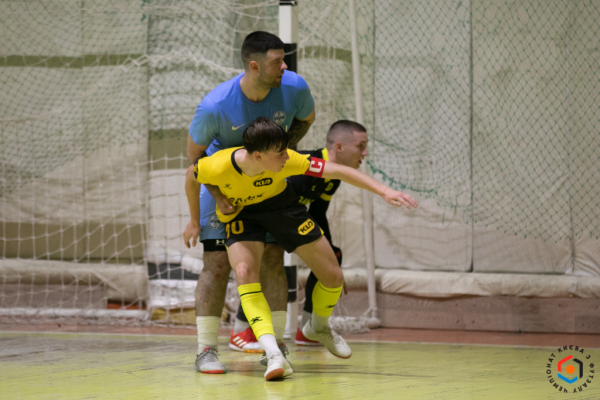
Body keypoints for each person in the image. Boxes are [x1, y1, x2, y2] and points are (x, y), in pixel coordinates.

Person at [183, 117, 418, 381]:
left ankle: (318, 327)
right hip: (244, 214)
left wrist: (384, 191)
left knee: (333, 276)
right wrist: (194, 220)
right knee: (245, 271)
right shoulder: (218, 165)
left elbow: (339, 171)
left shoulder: (290, 160)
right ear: (258, 156)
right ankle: (273, 353)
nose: (287, 157)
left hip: (282, 207)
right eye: (280, 153)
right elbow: (191, 176)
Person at [186, 31, 315, 374]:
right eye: (277, 62)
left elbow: (307, 119)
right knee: (217, 264)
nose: (285, 67)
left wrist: (279, 154)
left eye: (284, 59)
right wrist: (218, 196)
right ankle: (206, 350)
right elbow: (195, 159)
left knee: (273, 259)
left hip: (268, 188)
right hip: (224, 190)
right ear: (255, 66)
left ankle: (276, 347)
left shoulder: (295, 87)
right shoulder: (215, 105)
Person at [230, 120, 369, 349]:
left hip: (287, 221)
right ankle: (243, 328)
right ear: (339, 147)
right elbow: (271, 204)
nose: (365, 153)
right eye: (361, 146)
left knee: (333, 256)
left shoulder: (331, 177)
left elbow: (318, 212)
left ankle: (310, 328)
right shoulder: (304, 169)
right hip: (256, 216)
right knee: (265, 261)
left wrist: (329, 255)